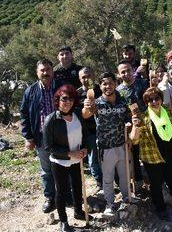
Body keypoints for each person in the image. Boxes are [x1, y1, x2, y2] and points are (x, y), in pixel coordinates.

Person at [130, 87, 172, 220]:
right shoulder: (144, 117)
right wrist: (135, 126)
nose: (154, 102)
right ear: (146, 102)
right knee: (156, 185)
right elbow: (134, 141)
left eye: (156, 98)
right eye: (150, 100)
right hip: (152, 158)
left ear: (161, 99)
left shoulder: (168, 112)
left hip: (170, 155)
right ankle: (160, 208)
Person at [82, 72, 132, 217]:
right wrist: (86, 106)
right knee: (108, 178)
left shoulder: (123, 101)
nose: (108, 86)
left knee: (124, 176)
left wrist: (129, 131)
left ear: (115, 84)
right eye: (104, 83)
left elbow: (130, 118)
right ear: (100, 86)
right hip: (105, 148)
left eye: (110, 83)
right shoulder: (96, 103)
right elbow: (86, 114)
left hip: (122, 145)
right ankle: (110, 203)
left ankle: (127, 198)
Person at [20, 58, 65, 213]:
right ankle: (50, 197)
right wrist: (28, 137)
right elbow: (24, 115)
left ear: (53, 71)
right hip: (41, 138)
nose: (45, 73)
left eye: (48, 69)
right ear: (37, 72)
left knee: (64, 166)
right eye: (42, 70)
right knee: (46, 170)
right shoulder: (30, 91)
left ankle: (67, 195)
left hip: (62, 135)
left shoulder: (62, 87)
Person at [43, 85, 88, 232]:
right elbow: (48, 147)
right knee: (61, 191)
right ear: (58, 100)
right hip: (60, 161)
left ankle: (79, 212)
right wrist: (69, 154)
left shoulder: (77, 115)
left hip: (77, 160)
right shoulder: (51, 120)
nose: (68, 101)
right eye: (64, 98)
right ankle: (63, 221)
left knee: (77, 187)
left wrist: (86, 149)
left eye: (71, 98)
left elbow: (85, 135)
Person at [117, 60, 149, 188]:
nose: (126, 74)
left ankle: (154, 177)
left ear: (133, 70)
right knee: (134, 154)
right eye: (122, 72)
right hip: (130, 128)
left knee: (148, 152)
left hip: (147, 124)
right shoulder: (118, 91)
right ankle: (138, 180)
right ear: (119, 75)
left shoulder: (143, 84)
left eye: (128, 70)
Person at [76, 67, 102, 192]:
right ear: (79, 79)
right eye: (83, 77)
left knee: (106, 157)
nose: (86, 79)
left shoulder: (101, 89)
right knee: (93, 159)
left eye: (88, 76)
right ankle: (99, 181)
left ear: (93, 75)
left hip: (105, 129)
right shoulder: (77, 94)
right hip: (88, 131)